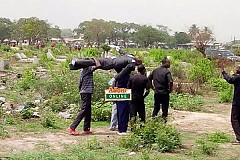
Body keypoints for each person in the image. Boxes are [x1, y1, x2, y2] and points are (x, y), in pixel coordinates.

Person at [69, 48, 142, 84]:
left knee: (94, 61)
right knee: (90, 61)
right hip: (109, 60)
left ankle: (76, 62)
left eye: (139, 59)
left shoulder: (132, 62)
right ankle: (75, 66)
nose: (138, 57)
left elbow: (124, 70)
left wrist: (115, 78)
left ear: (137, 62)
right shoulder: (130, 56)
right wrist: (118, 48)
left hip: (109, 63)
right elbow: (123, 52)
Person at [67, 65, 98, 135]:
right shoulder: (88, 69)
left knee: (88, 110)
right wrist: (94, 59)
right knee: (84, 110)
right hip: (86, 92)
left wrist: (80, 90)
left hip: (84, 92)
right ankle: (72, 127)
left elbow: (79, 83)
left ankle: (86, 128)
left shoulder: (83, 71)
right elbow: (98, 65)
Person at [148, 57, 173, 122]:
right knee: (165, 107)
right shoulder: (167, 72)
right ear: (165, 63)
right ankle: (164, 121)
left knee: (156, 107)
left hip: (156, 92)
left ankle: (153, 119)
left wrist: (152, 87)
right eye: (169, 63)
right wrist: (170, 89)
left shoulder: (155, 70)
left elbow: (149, 79)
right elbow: (170, 81)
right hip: (164, 92)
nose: (170, 64)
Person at [221, 63, 240, 144]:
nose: (236, 69)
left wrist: (223, 72)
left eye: (238, 68)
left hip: (237, 102)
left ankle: (239, 138)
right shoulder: (238, 77)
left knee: (234, 119)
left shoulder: (238, 77)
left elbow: (230, 80)